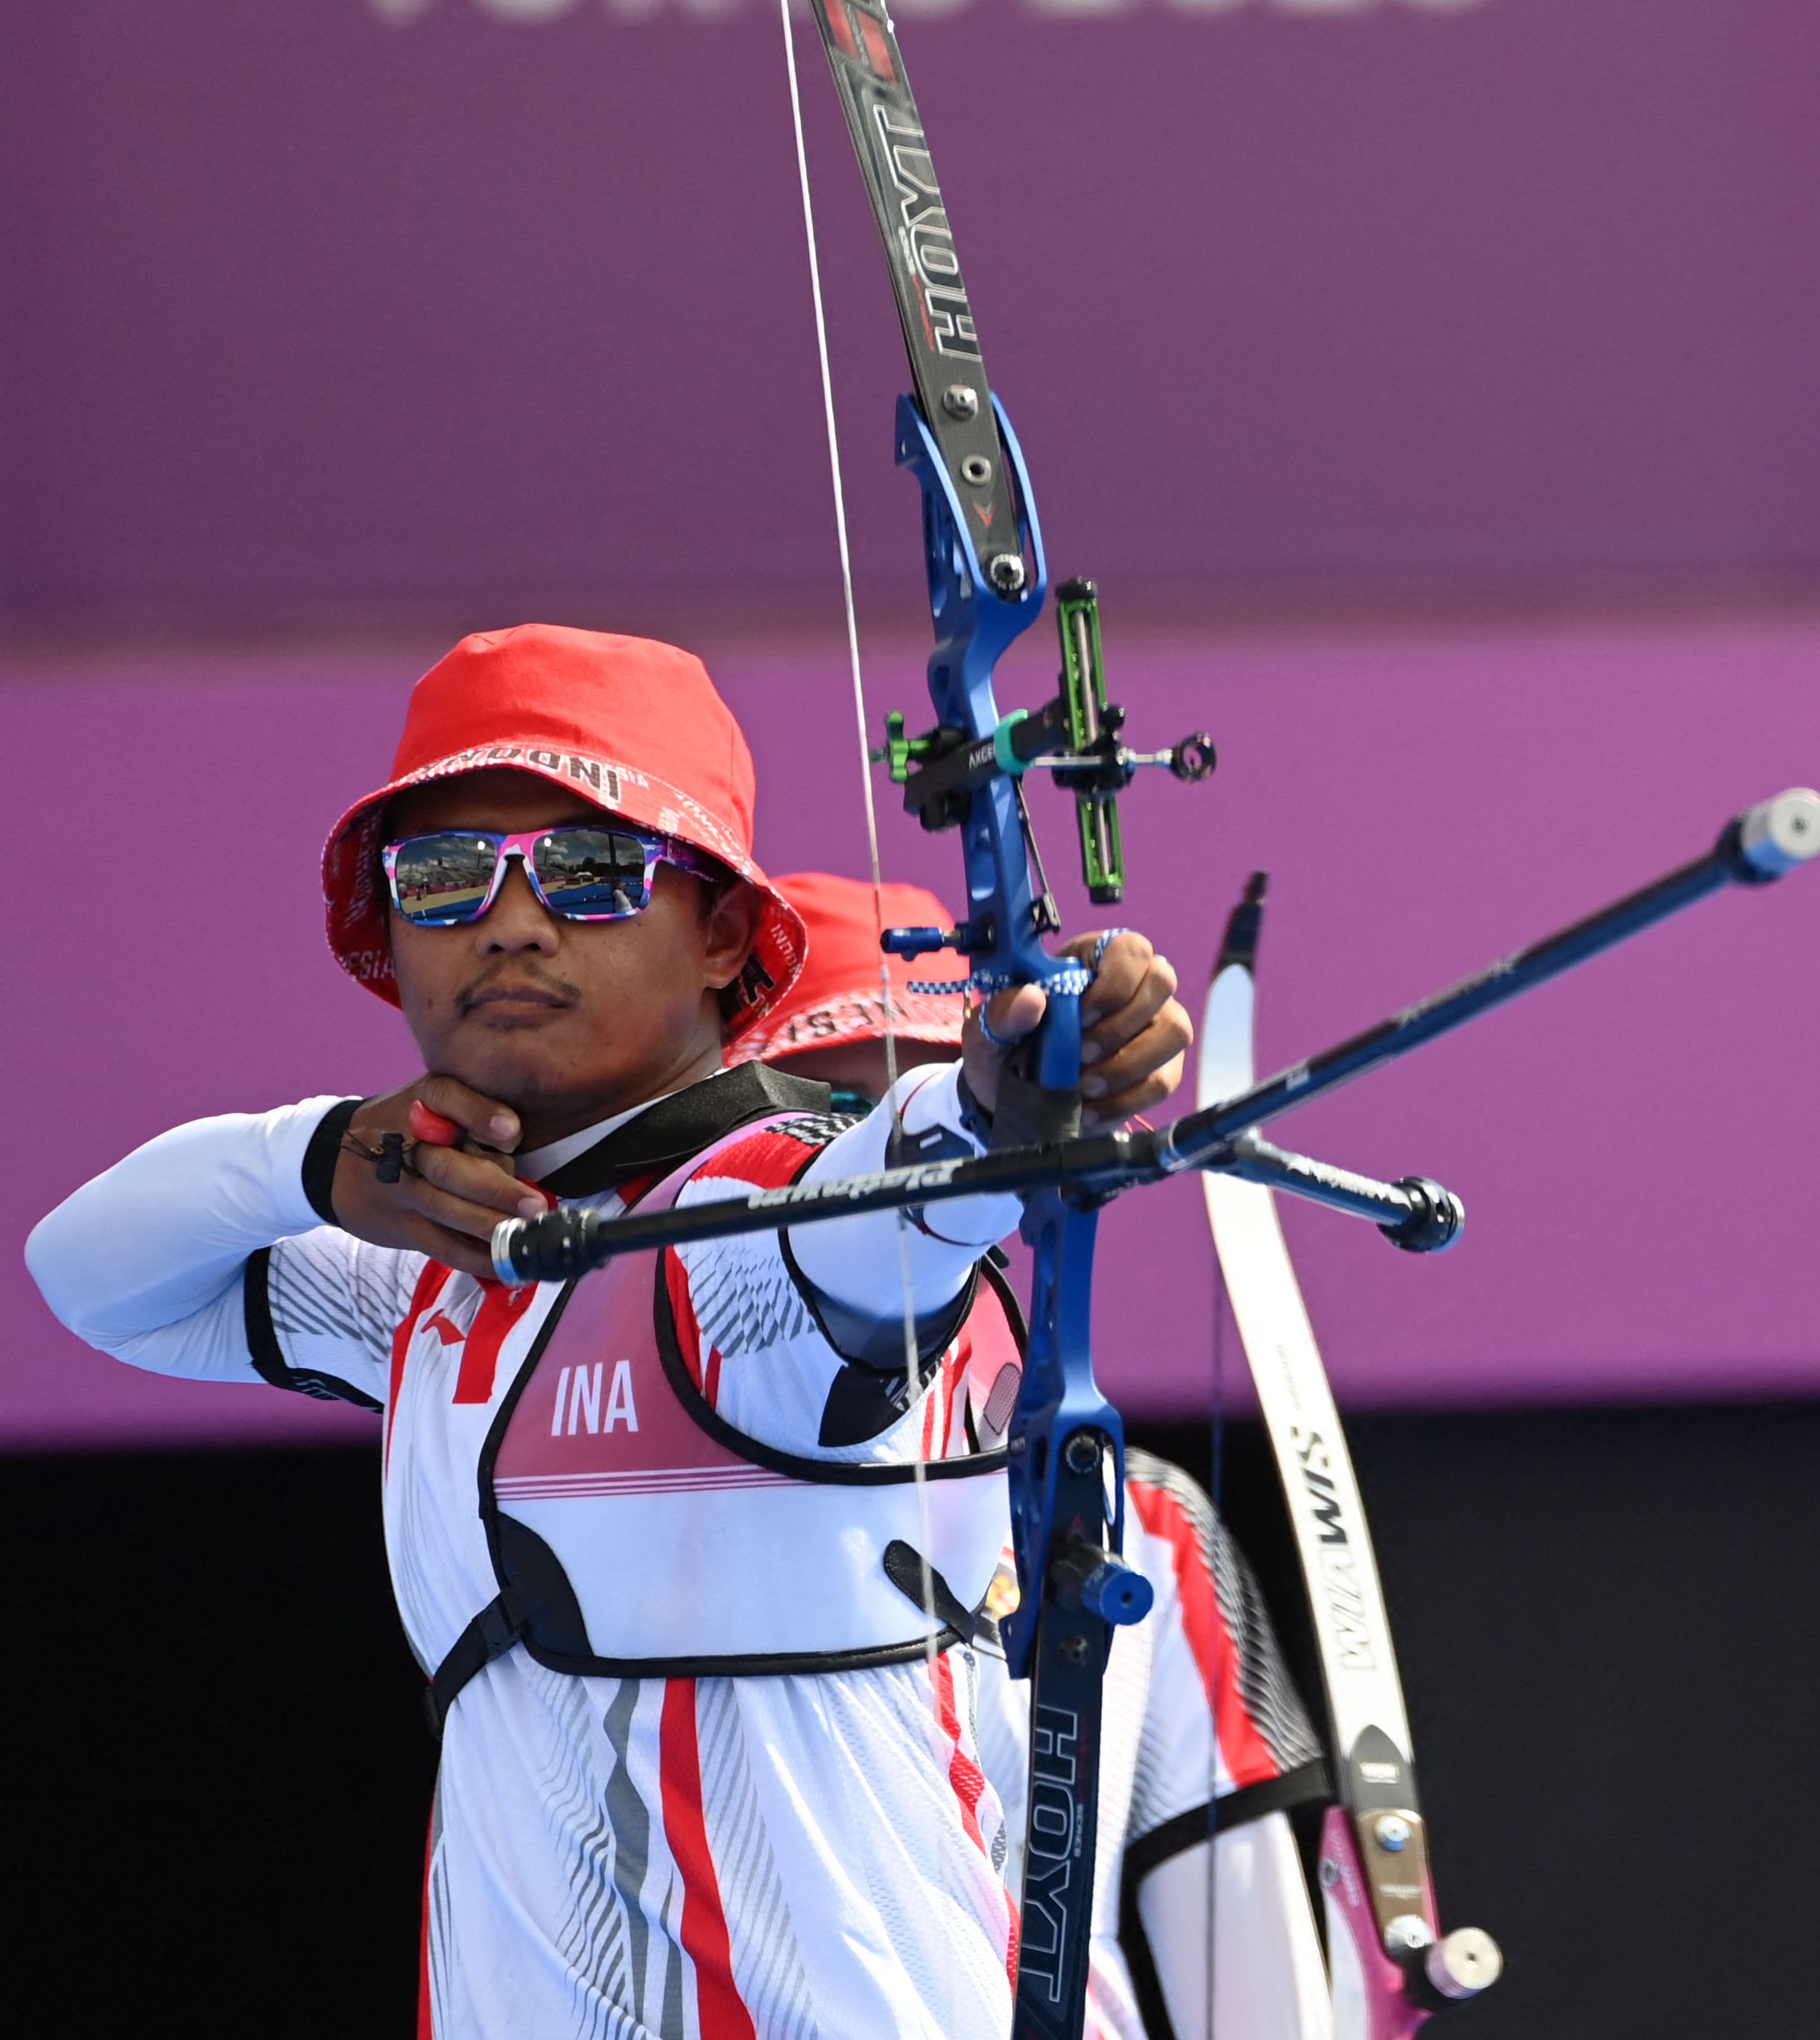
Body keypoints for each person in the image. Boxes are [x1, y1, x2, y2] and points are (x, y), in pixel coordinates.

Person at [22, 627, 1307, 2039]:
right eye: (443, 876)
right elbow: (85, 1275)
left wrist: (1000, 1096)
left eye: (590, 868)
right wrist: (316, 1158)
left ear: (719, 934)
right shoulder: (427, 1283)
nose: (513, 922)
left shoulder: (742, 1225)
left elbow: (879, 1203)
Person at [731, 870, 1337, 2037]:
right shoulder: (629, 1505)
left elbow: (1261, 2000)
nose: (908, 1172)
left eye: (964, 1119)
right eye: (840, 1121)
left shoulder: (1135, 1519)